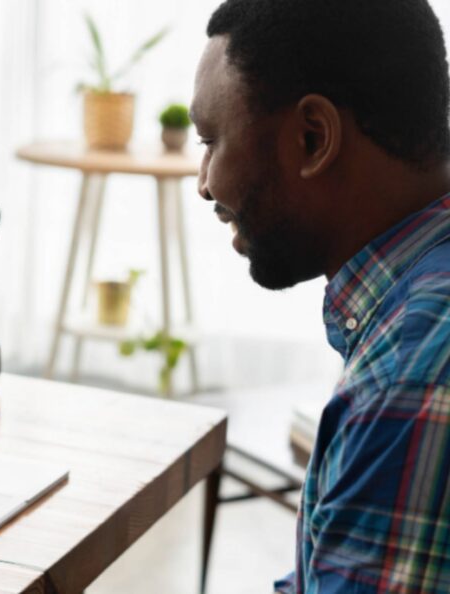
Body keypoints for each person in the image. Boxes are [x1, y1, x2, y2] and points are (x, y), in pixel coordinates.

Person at [190, 0, 450, 592]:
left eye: (211, 140)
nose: (204, 183)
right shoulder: (413, 307)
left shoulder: (411, 379)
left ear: (312, 139)